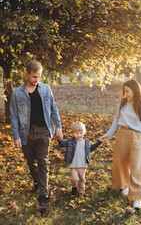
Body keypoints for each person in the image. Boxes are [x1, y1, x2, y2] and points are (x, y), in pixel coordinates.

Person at [10, 60, 63, 210]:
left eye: (39, 76)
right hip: (25, 133)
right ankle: (37, 182)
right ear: (27, 74)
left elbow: (54, 109)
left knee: (43, 162)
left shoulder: (46, 89)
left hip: (43, 131)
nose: (36, 79)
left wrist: (58, 126)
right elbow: (13, 116)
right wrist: (16, 136)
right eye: (34, 76)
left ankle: (43, 196)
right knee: (30, 162)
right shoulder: (17, 93)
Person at [100, 79, 141, 209]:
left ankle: (138, 197)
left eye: (127, 91)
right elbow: (116, 120)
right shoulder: (123, 102)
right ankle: (124, 186)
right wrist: (108, 134)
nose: (125, 94)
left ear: (135, 90)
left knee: (137, 167)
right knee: (120, 163)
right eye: (124, 91)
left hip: (137, 137)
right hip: (122, 134)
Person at [57, 121, 102, 197]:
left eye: (81, 133)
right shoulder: (70, 141)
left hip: (82, 165)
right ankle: (74, 188)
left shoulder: (86, 142)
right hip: (73, 164)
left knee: (82, 179)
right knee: (75, 179)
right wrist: (59, 139)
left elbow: (92, 148)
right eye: (77, 133)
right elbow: (63, 144)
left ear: (84, 132)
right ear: (73, 133)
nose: (79, 135)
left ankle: (81, 191)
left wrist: (99, 142)